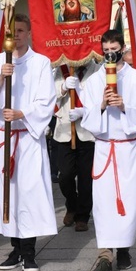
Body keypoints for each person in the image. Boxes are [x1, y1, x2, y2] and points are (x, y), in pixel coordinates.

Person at [0, 14, 56, 271]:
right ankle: (15, 248)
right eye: (13, 32)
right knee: (8, 194)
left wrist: (22, 113)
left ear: (29, 33)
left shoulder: (41, 63)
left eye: (21, 31)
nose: (17, 36)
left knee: (29, 193)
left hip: (27, 137)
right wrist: (1, 78)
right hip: (3, 136)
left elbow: (47, 100)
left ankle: (30, 252)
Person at [81, 30, 136, 271]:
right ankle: (104, 254)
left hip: (129, 147)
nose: (110, 52)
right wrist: (100, 105)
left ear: (122, 48)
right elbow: (87, 119)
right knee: (103, 203)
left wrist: (124, 107)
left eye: (114, 48)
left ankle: (124, 248)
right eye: (106, 48)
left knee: (130, 202)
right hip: (104, 147)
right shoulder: (93, 81)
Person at [53, 60, 99, 232]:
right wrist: (64, 87)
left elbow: (99, 98)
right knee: (65, 175)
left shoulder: (97, 70)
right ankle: (71, 205)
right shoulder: (62, 69)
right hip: (65, 129)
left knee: (86, 177)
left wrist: (84, 111)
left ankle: (83, 215)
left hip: (88, 131)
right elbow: (51, 95)